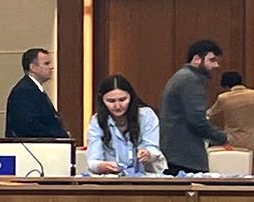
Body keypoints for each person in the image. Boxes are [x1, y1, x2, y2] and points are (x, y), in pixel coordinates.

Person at [160, 39, 230, 175]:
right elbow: (197, 120)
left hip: (174, 152)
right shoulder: (191, 79)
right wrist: (221, 137)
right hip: (185, 155)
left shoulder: (181, 76)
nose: (216, 65)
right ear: (197, 59)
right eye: (212, 60)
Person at [85, 74, 164, 176]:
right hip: (112, 178)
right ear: (102, 100)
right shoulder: (97, 121)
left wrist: (148, 154)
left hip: (147, 176)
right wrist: (101, 166)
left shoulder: (146, 115)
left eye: (122, 100)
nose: (117, 106)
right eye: (111, 101)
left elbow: (154, 149)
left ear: (131, 97)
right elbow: (93, 161)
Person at [5, 47, 67, 139]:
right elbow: (28, 126)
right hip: (32, 146)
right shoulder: (24, 91)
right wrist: (58, 134)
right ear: (33, 67)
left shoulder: (33, 89)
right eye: (46, 64)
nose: (51, 67)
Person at [212, 72, 254, 152]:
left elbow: (210, 114)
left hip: (233, 141)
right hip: (252, 139)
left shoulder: (223, 98)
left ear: (225, 85)